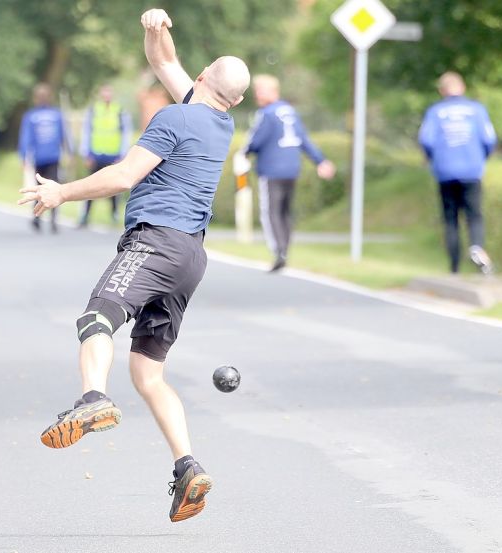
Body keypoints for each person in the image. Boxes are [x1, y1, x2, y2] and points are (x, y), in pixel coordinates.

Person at [19, 8, 249, 523]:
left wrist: (61, 193)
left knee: (98, 315)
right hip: (190, 255)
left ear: (207, 73)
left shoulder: (173, 118)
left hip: (156, 242)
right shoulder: (217, 120)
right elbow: (166, 63)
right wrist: (154, 32)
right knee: (147, 371)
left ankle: (92, 398)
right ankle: (188, 466)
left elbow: (124, 175)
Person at [239, 74, 335, 272]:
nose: (257, 95)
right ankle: (285, 250)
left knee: (271, 211)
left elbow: (255, 140)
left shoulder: (266, 114)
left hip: (271, 171)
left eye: (261, 91)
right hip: (292, 169)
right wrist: (321, 161)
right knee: (285, 211)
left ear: (274, 91)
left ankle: (279, 251)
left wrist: (244, 154)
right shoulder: (291, 111)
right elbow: (304, 139)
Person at [419, 71, 496, 274]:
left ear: (442, 91)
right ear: (462, 88)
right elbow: (489, 139)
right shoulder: (476, 110)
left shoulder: (435, 112)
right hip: (471, 170)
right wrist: (481, 158)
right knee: (474, 215)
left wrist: (432, 157)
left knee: (450, 219)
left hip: (445, 170)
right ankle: (476, 247)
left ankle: (454, 267)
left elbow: (426, 139)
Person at [18, 83, 71, 233]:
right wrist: (23, 156)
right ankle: (41, 218)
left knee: (43, 188)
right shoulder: (40, 115)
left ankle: (47, 219)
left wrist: (23, 156)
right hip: (44, 158)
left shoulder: (42, 115)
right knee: (48, 188)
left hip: (49, 157)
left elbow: (63, 135)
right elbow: (26, 138)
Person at [78, 84, 133, 227]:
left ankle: (114, 214)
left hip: (113, 155)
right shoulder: (94, 110)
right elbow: (87, 131)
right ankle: (85, 215)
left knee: (114, 187)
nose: (107, 95)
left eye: (109, 92)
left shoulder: (119, 111)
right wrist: (86, 153)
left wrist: (123, 154)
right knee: (90, 185)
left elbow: (126, 133)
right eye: (104, 92)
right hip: (96, 154)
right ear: (101, 93)